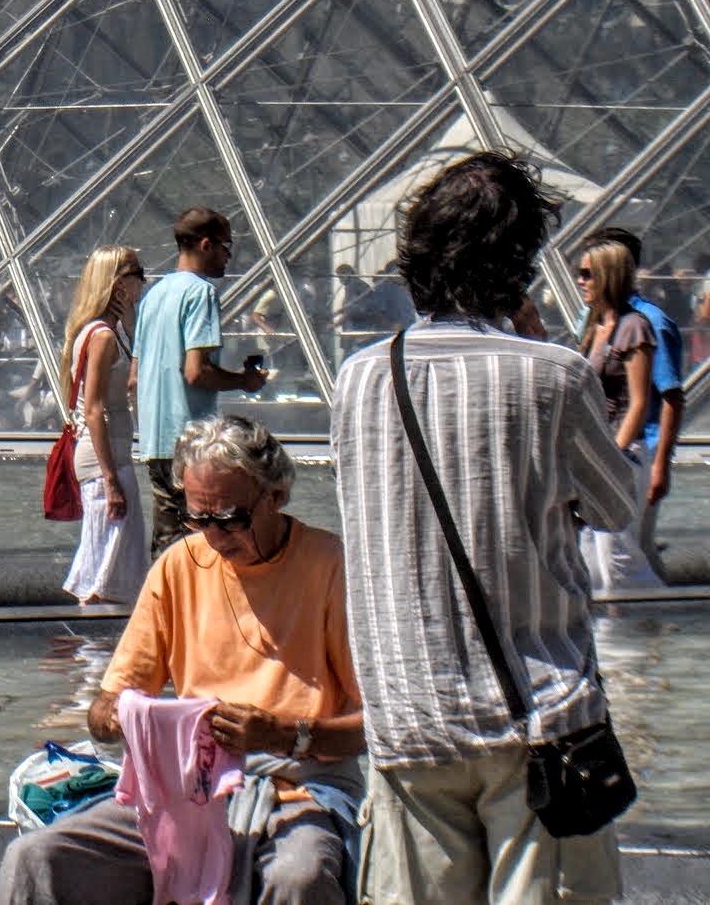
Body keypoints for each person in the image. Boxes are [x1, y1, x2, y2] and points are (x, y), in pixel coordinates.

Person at [331, 151, 637, 903]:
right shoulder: (553, 374)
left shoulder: (361, 377)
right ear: (519, 264)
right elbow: (615, 508)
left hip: (408, 716)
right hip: (537, 717)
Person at [0, 415, 365, 904]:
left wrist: (282, 735)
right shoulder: (178, 565)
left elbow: (380, 727)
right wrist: (122, 718)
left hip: (298, 789)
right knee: (36, 857)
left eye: (229, 518)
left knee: (298, 876)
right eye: (198, 519)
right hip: (189, 795)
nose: (214, 537)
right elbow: (105, 710)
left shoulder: (331, 566)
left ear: (276, 495)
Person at [131, 207, 269, 557]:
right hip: (192, 440)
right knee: (204, 542)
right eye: (226, 246)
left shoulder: (152, 296)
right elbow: (196, 372)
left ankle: (161, 593)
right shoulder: (200, 294)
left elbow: (134, 378)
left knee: (167, 545)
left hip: (155, 440)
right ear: (206, 245)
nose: (228, 256)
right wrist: (244, 381)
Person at [584, 226, 682, 583]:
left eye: (587, 271)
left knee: (626, 557)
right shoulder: (597, 321)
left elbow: (670, 397)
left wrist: (660, 465)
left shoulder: (646, 323)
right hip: (609, 449)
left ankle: (658, 616)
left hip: (634, 452)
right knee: (603, 556)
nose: (580, 279)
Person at [58, 246, 148, 605]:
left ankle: (95, 636)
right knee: (106, 571)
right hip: (104, 460)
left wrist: (132, 323)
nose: (144, 281)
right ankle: (93, 637)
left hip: (105, 457)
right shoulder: (103, 337)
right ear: (118, 283)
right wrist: (111, 480)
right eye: (138, 274)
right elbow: (94, 409)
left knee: (108, 560)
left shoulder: (99, 331)